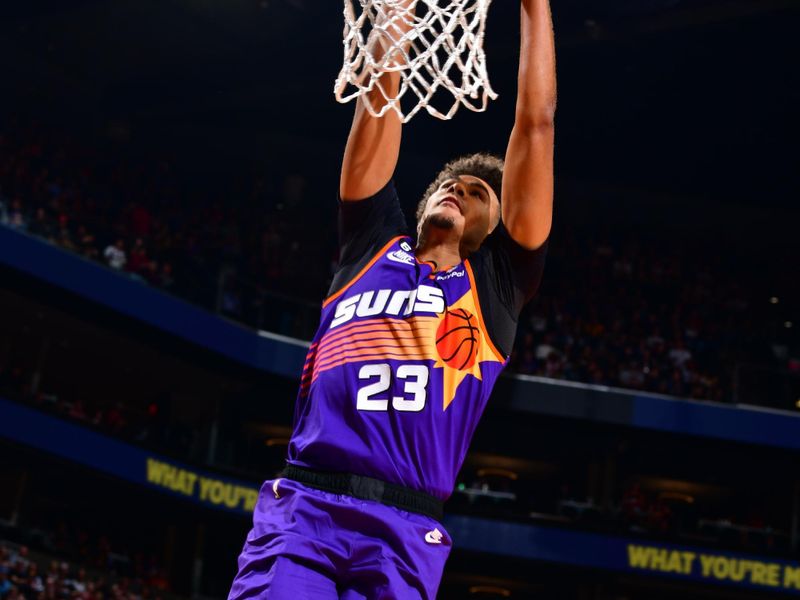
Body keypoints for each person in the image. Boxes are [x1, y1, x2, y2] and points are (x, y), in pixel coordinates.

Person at [229, 0, 556, 598]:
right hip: (305, 507)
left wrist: (534, 7)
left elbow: (535, 125)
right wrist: (397, 18)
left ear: (494, 229)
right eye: (449, 184)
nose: (458, 190)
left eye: (478, 193)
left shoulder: (494, 291)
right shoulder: (370, 246)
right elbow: (378, 96)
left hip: (405, 529)